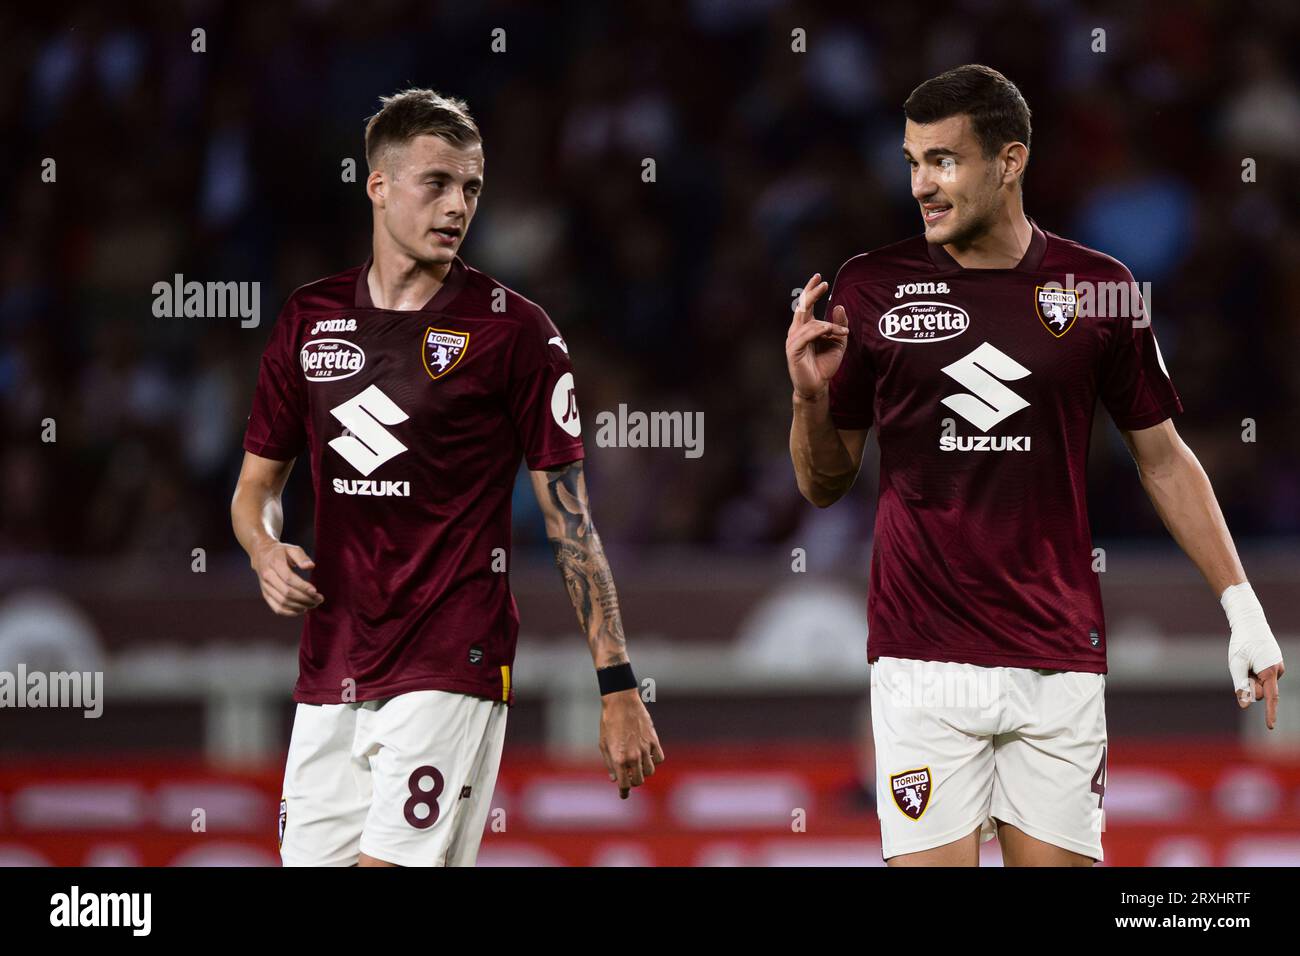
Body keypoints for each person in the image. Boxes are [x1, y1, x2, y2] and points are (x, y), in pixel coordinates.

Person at [785, 64, 1284, 866]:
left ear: (1009, 161)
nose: (921, 185)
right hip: (922, 659)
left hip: (1057, 660)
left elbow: (1164, 460)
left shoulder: (1101, 291)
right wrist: (809, 401)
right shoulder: (869, 287)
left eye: (943, 160)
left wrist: (1243, 609)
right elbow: (823, 482)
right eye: (912, 161)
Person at [231, 89, 663, 867]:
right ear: (379, 186)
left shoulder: (515, 331)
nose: (457, 205)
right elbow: (254, 492)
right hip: (331, 666)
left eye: (471, 187)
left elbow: (571, 523)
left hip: (450, 660)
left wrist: (619, 684)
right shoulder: (308, 318)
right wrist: (265, 552)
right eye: (436, 183)